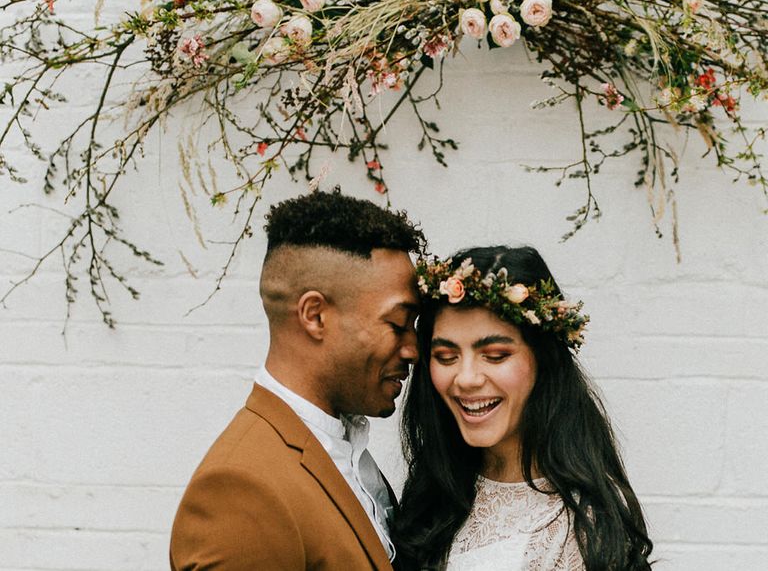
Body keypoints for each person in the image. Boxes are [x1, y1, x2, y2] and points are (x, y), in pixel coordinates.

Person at [170, 188, 425, 570]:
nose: (413, 350)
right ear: (315, 316)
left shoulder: (345, 449)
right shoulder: (240, 492)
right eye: (398, 323)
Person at [393, 245, 653, 570]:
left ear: (542, 360)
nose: (467, 378)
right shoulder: (434, 491)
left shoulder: (582, 527)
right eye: (446, 357)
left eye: (496, 355)